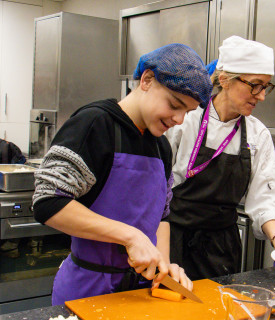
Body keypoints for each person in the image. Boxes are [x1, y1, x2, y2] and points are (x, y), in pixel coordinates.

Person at [32, 44, 213, 305]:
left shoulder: (161, 146)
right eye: (175, 105)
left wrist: (163, 266)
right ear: (147, 80)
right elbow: (47, 201)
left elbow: (162, 215)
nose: (180, 120)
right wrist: (130, 236)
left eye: (188, 112)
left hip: (140, 294)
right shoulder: (95, 124)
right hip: (88, 291)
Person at [165, 35, 275, 280]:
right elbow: (157, 187)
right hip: (171, 239)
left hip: (220, 250)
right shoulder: (184, 121)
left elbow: (264, 200)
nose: (261, 95)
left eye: (266, 86)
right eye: (255, 85)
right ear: (225, 80)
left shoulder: (257, 135)